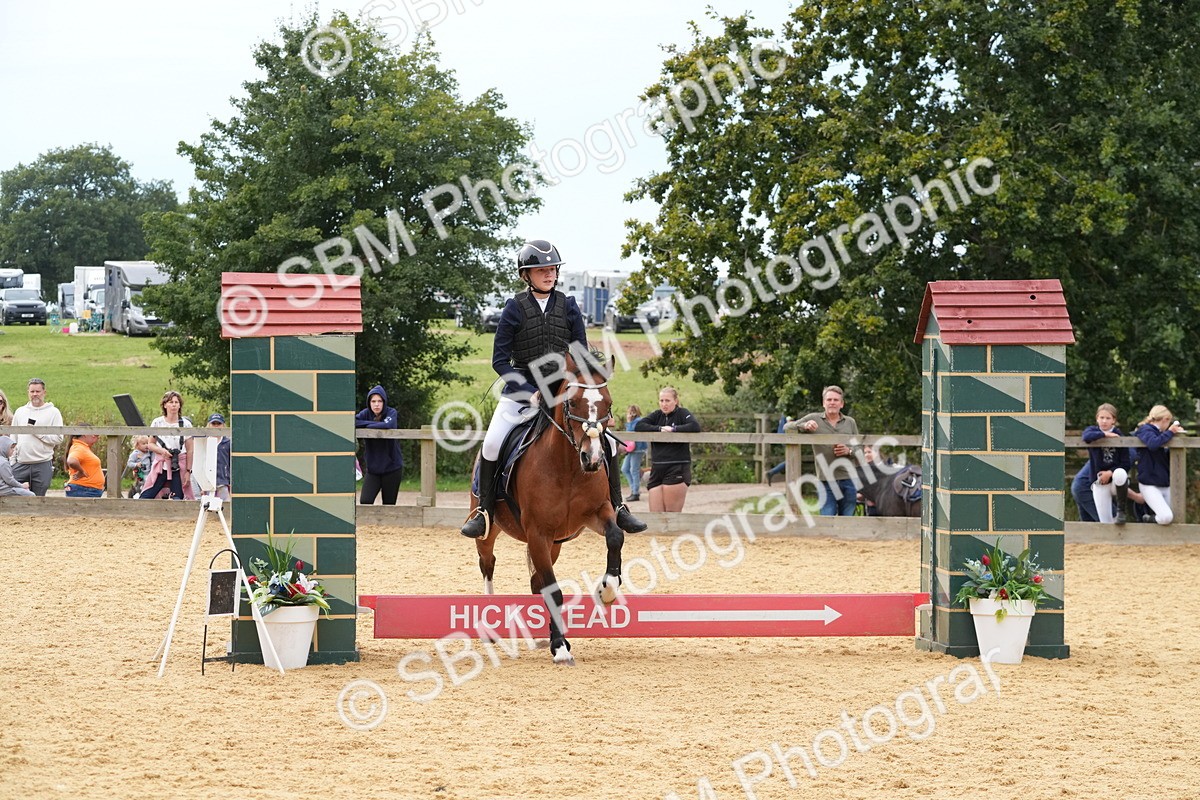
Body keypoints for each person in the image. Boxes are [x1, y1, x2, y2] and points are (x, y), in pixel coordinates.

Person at [461, 240, 645, 538]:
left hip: (564, 391)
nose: (549, 274)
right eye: (541, 270)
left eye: (552, 269)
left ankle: (620, 506)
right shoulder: (514, 308)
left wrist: (593, 402)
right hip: (522, 392)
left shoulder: (569, 306)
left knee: (608, 443)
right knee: (492, 444)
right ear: (526, 275)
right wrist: (526, 390)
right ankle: (484, 511)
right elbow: (499, 360)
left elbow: (581, 354)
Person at [784, 385, 861, 516]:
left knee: (847, 521)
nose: (832, 403)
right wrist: (804, 425)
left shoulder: (850, 422)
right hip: (825, 480)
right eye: (829, 399)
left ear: (841, 404)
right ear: (823, 403)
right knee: (827, 518)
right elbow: (787, 426)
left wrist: (848, 451)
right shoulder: (814, 418)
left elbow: (860, 449)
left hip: (849, 479)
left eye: (836, 400)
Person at [635, 387, 701, 512]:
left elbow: (695, 426)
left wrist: (674, 429)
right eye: (661, 401)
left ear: (675, 401)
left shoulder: (682, 413)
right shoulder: (656, 415)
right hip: (657, 468)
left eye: (667, 401)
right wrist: (659, 429)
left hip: (676, 466)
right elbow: (639, 425)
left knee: (671, 516)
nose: (664, 404)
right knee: (656, 515)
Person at [1082, 403, 1134, 524]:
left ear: (1114, 420)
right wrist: (1105, 434)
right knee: (1105, 522)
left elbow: (1126, 463)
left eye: (1108, 418)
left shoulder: (1119, 435)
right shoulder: (1092, 431)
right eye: (1101, 418)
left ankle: (1121, 511)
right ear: (1097, 418)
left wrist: (1109, 473)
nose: (1104, 421)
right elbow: (1086, 436)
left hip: (1117, 482)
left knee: (1120, 473)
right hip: (1100, 481)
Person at [12, 378, 65, 496]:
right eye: (32, 392)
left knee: (39, 498)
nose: (35, 394)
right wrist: (12, 461)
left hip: (42, 463)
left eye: (38, 391)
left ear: (44, 392)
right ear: (28, 392)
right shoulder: (20, 412)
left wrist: (38, 433)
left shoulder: (53, 412)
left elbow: (59, 438)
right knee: (14, 496)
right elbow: (13, 438)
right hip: (21, 463)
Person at [1133, 404, 1185, 525]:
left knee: (1175, 517)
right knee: (1166, 517)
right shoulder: (1145, 430)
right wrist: (1170, 432)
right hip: (1149, 482)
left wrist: (1173, 437)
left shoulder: (1162, 434)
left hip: (1164, 481)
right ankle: (1147, 518)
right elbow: (1153, 444)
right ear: (1165, 419)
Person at [140, 390, 192, 500]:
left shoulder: (186, 424)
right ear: (165, 405)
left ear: (179, 405)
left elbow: (190, 450)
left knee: (178, 497)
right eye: (170, 402)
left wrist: (188, 471)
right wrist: (162, 451)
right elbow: (151, 444)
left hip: (179, 464)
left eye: (176, 402)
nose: (173, 405)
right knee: (147, 495)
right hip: (162, 463)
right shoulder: (157, 422)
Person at [355, 387, 404, 505]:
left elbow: (389, 425)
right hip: (373, 469)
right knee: (365, 501)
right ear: (369, 403)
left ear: (384, 402)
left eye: (380, 401)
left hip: (392, 467)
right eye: (373, 401)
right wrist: (376, 424)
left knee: (388, 505)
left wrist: (366, 425)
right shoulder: (365, 413)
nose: (376, 404)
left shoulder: (391, 412)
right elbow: (353, 421)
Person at [65, 428, 105, 498]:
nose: (96, 437)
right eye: (93, 434)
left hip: (86, 489)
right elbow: (71, 461)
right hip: (83, 489)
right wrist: (81, 471)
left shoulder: (83, 447)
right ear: (85, 434)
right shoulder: (79, 447)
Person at [621, 404, 648, 502]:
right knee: (625, 469)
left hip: (638, 448)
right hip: (632, 449)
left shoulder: (638, 422)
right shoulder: (633, 422)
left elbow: (631, 433)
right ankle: (634, 489)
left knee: (634, 470)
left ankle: (635, 492)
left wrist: (628, 422)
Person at [205, 414, 232, 501]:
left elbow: (230, 462)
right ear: (209, 425)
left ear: (223, 425)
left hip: (223, 480)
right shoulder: (204, 441)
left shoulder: (228, 442)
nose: (216, 426)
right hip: (207, 481)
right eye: (214, 423)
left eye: (218, 424)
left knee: (226, 504)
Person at [765, 412, 791, 486]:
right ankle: (772, 472)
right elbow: (790, 423)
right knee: (792, 459)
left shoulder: (785, 411)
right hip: (787, 436)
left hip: (782, 435)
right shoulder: (790, 411)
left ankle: (772, 472)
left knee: (791, 459)